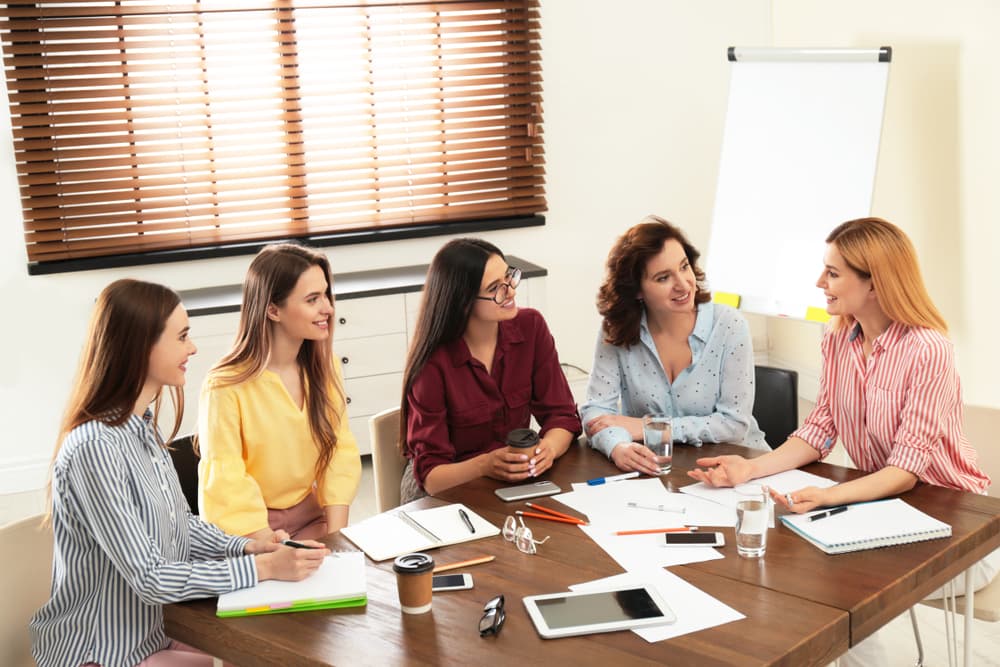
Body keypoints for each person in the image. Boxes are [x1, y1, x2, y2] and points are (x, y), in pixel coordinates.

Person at [687, 217, 998, 665]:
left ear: (875, 283)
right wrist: (750, 468)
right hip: (881, 508)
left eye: (832, 273)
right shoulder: (838, 341)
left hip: (961, 528)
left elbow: (905, 472)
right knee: (806, 566)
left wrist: (830, 495)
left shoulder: (929, 348)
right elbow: (819, 429)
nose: (819, 282)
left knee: (840, 579)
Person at [31, 279, 328, 667]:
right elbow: (151, 578)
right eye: (183, 336)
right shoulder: (94, 449)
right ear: (141, 346)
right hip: (102, 652)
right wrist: (264, 567)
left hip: (157, 632)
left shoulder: (141, 429)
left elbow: (180, 526)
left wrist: (247, 547)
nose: (193, 348)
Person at [580, 215, 767, 475]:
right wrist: (617, 447)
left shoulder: (730, 326)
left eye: (684, 266)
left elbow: (733, 425)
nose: (682, 284)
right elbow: (596, 412)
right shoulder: (616, 331)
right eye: (663, 278)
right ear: (637, 290)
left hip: (735, 470)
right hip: (657, 473)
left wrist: (649, 428)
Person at [198, 243, 361, 541]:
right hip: (249, 529)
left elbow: (339, 452)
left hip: (309, 514)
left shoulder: (327, 367)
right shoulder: (224, 385)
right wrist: (272, 549)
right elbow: (226, 482)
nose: (328, 308)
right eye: (312, 299)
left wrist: (337, 539)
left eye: (325, 294)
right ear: (273, 310)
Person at [399, 238, 582, 503]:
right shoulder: (432, 363)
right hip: (446, 491)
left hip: (511, 482)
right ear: (462, 302)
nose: (510, 292)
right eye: (496, 288)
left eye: (509, 278)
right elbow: (431, 476)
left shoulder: (531, 327)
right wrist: (485, 465)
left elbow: (562, 415)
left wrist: (548, 450)